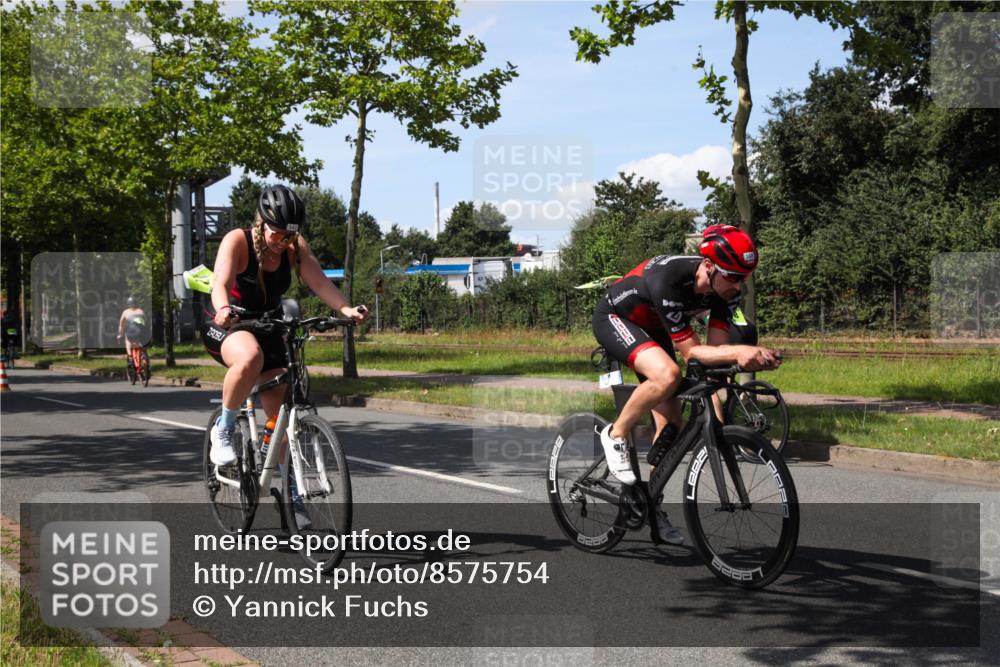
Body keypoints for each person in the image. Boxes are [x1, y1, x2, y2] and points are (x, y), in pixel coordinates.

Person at [591, 224, 782, 544]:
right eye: (733, 277)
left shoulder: (726, 293)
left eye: (745, 277)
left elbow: (715, 354)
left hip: (656, 330)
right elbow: (693, 351)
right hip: (618, 319)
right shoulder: (670, 280)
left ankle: (650, 507)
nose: (739, 285)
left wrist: (742, 362)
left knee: (673, 427)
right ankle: (615, 434)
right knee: (667, 375)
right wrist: (741, 351)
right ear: (709, 267)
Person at [202, 185, 367, 517]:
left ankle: (293, 491)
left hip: (268, 324)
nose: (283, 242)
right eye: (277, 234)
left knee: (281, 412)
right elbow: (219, 282)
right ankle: (224, 427)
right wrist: (223, 308)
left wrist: (345, 309)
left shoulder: (294, 247)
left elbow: (319, 281)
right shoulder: (238, 240)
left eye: (290, 236)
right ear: (262, 223)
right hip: (228, 321)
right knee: (250, 357)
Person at [116, 297, 149, 369]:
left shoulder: (125, 312)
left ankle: (130, 357)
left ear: (128, 304)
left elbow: (121, 324)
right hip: (143, 332)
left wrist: (120, 334)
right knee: (142, 344)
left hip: (132, 332)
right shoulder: (141, 311)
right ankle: (144, 356)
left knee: (127, 339)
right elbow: (145, 322)